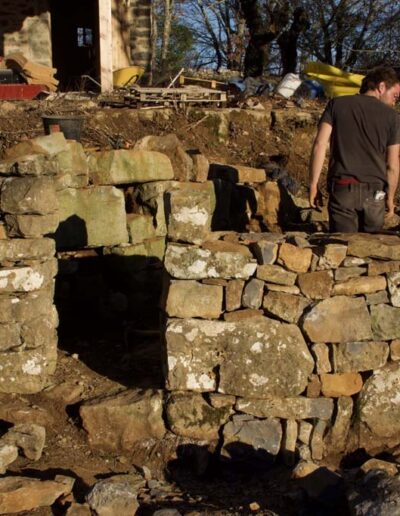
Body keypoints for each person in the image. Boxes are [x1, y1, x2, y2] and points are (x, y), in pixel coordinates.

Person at [309, 66, 400, 232]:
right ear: (381, 87)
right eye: (395, 96)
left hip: (343, 190)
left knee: (342, 249)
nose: (395, 102)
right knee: (369, 251)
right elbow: (392, 165)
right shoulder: (393, 117)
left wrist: (313, 184)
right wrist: (390, 199)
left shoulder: (336, 104)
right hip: (375, 193)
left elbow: (320, 144)